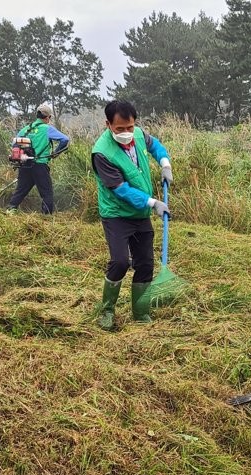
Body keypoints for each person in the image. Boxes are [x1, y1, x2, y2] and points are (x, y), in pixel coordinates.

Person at [90, 100, 173, 331]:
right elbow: (120, 189)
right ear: (108, 125)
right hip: (116, 214)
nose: (126, 133)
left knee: (145, 263)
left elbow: (155, 145)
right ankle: (107, 310)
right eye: (120, 129)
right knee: (119, 262)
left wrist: (165, 163)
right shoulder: (101, 153)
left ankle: (141, 312)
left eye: (130, 127)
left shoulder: (137, 134)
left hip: (140, 213)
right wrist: (153, 202)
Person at [6, 103, 70, 215]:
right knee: (47, 193)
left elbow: (14, 144)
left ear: (37, 115)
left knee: (21, 190)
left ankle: (10, 209)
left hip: (25, 164)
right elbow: (65, 140)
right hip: (40, 165)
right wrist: (55, 153)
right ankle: (46, 217)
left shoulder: (25, 129)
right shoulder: (47, 129)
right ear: (48, 117)